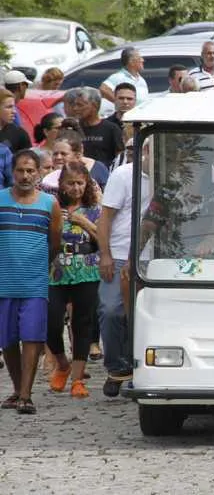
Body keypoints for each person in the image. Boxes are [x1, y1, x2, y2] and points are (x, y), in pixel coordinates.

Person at [0, 150, 61, 414]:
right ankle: (16, 389)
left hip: (34, 282)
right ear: (12, 172)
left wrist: (41, 266)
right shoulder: (0, 200)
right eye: (20, 170)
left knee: (32, 337)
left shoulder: (49, 204)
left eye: (30, 171)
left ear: (39, 173)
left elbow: (54, 242)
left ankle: (26, 394)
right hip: (3, 282)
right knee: (8, 340)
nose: (25, 176)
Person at [95, 141, 152, 397]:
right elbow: (105, 217)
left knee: (142, 317)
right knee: (111, 310)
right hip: (119, 253)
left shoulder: (169, 176)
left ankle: (137, 369)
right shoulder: (124, 175)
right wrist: (105, 254)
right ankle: (116, 366)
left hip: (152, 257)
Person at [46, 162, 102, 398]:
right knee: (51, 322)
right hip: (57, 270)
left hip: (87, 268)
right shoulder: (53, 206)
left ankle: (78, 378)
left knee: (82, 323)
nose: (76, 188)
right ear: (62, 185)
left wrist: (84, 223)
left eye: (81, 183)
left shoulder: (95, 209)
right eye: (71, 183)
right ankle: (62, 363)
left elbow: (103, 239)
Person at [71, 87, 123, 169]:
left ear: (94, 106)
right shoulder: (73, 128)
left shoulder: (111, 129)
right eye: (74, 104)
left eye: (80, 105)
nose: (75, 108)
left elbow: (120, 157)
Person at [0, 88, 31, 153]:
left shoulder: (19, 133)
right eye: (9, 107)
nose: (14, 111)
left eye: (14, 107)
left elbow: (28, 160)